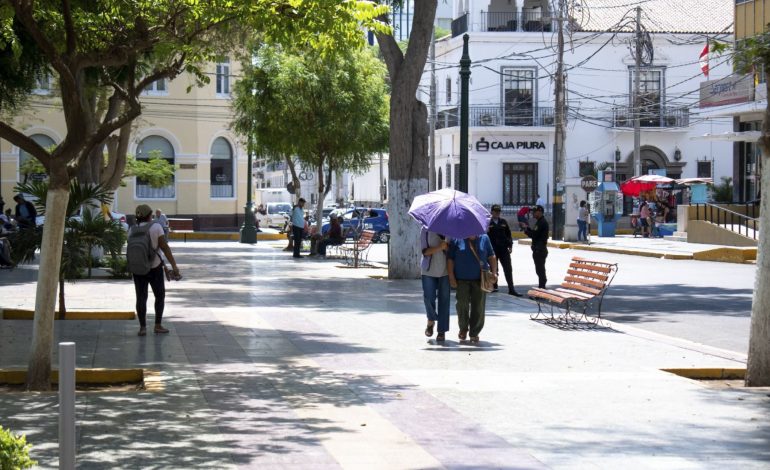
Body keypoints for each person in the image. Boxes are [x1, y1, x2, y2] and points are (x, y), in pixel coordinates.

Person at [130, 204, 180, 336]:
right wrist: (174, 266)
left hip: (138, 268)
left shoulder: (132, 229)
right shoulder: (156, 227)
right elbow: (164, 247)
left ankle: (142, 328)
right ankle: (157, 325)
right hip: (154, 267)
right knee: (159, 295)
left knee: (141, 297)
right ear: (149, 215)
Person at [447, 234, 496, 344]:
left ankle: (474, 332)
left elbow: (491, 256)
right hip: (461, 279)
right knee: (461, 304)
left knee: (478, 306)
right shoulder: (456, 238)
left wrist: (494, 272)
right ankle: (463, 329)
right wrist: (451, 276)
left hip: (480, 279)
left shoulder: (484, 238)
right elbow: (450, 258)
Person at [421, 228, 450, 342]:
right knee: (428, 297)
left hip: (445, 270)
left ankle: (441, 331)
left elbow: (453, 251)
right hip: (429, 270)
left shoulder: (450, 230)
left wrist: (447, 247)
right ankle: (431, 320)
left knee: (444, 300)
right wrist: (440, 247)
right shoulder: (425, 230)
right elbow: (424, 251)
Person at [487, 204, 521, 296]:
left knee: (508, 269)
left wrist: (510, 245)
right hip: (492, 250)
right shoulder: (488, 223)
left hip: (503, 249)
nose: (497, 213)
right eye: (495, 211)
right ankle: (494, 285)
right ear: (492, 212)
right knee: (494, 269)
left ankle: (511, 288)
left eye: (498, 211)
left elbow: (508, 234)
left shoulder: (503, 222)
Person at [521, 205, 549, 289]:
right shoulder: (539, 222)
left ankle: (542, 287)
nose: (533, 213)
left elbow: (534, 235)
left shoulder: (542, 222)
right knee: (539, 270)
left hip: (539, 250)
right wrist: (527, 228)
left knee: (540, 270)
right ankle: (541, 286)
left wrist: (526, 230)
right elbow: (534, 232)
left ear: (540, 212)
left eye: (535, 212)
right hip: (538, 249)